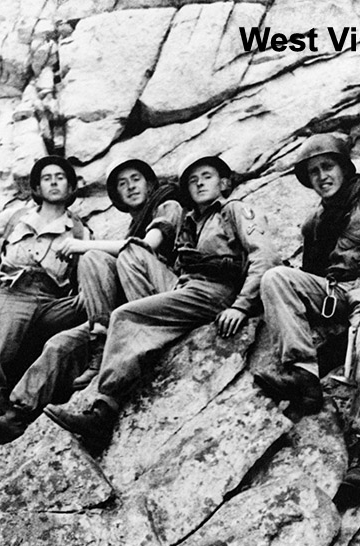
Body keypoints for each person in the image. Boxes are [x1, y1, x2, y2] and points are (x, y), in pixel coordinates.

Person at [45, 155, 279, 454]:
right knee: (121, 310)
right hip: (189, 289)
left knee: (127, 316)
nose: (199, 183)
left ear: (224, 182)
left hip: (217, 291)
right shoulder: (193, 221)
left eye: (206, 176)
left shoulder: (235, 210)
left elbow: (265, 256)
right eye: (192, 181)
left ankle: (103, 411)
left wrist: (241, 306)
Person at [252, 133, 360, 507]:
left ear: (345, 168)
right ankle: (302, 374)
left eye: (327, 166)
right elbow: (311, 277)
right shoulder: (315, 222)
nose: (321, 176)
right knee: (275, 278)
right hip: (339, 294)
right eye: (313, 172)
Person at [0, 158, 183, 443]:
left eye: (136, 179)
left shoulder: (167, 204)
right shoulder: (18, 214)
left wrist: (84, 247)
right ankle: (16, 416)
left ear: (150, 182)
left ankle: (100, 349)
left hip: (161, 299)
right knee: (58, 345)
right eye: (122, 184)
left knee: (93, 257)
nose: (130, 187)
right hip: (16, 291)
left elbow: (150, 246)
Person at [0, 156, 90, 444]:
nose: (54, 182)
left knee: (89, 313)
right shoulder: (16, 216)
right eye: (47, 178)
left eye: (60, 177)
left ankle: (40, 405)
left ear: (69, 187)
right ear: (38, 187)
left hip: (54, 301)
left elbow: (86, 275)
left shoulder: (79, 230)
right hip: (13, 291)